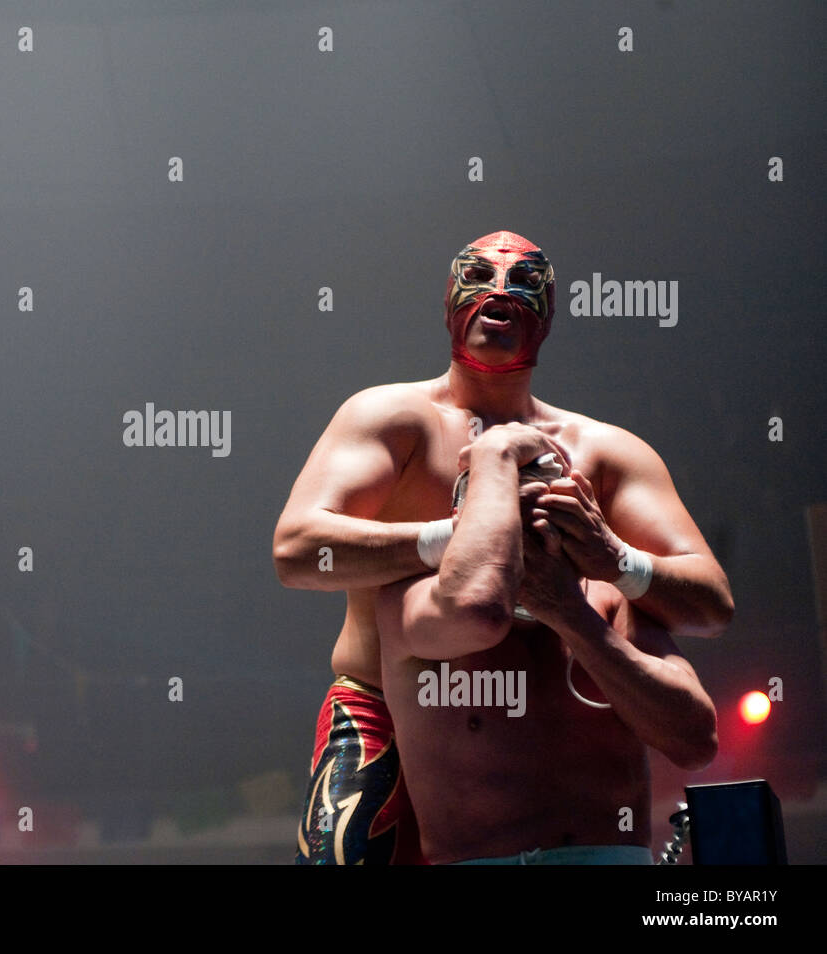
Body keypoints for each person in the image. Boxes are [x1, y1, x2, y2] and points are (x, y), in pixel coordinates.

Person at [278, 230, 733, 865]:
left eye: (522, 283)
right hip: (395, 702)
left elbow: (711, 606)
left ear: (547, 315)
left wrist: (616, 560)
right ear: (448, 303)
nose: (499, 292)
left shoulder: (603, 452)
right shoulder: (391, 420)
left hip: (562, 707)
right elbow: (298, 550)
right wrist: (453, 537)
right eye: (480, 278)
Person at [374, 438, 717, 864]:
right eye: (510, 522)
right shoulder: (409, 602)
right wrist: (495, 459)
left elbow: (698, 742)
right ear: (464, 523)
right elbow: (480, 612)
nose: (530, 539)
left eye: (545, 520)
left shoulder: (613, 602)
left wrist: (572, 615)